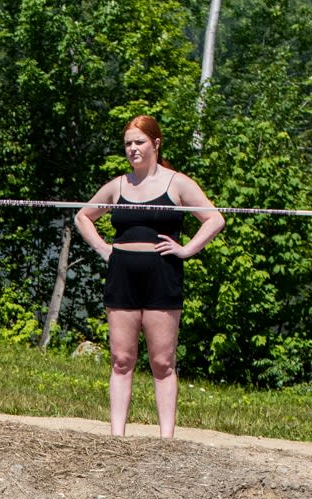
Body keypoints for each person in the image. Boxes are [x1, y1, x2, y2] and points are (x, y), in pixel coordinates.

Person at [73, 114, 226, 438]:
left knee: (162, 361)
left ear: (155, 143)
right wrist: (103, 248)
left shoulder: (177, 183)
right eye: (128, 143)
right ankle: (117, 436)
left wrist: (186, 249)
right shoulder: (118, 186)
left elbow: (214, 219)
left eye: (139, 142)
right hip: (122, 276)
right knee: (122, 358)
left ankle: (166, 439)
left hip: (162, 276)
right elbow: (83, 216)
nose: (133, 149)